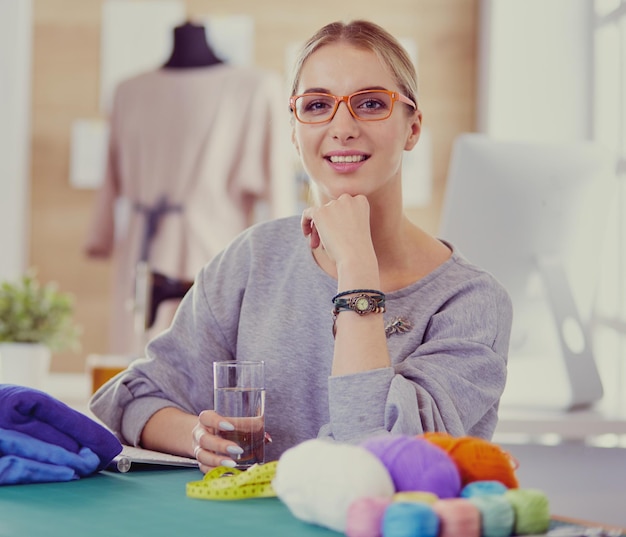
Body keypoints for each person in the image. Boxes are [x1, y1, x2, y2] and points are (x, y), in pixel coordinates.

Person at [90, 19, 513, 473]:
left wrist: (356, 267)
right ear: (294, 132)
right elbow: (131, 397)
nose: (343, 127)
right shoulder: (253, 260)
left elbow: (373, 458)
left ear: (412, 129)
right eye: (317, 105)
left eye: (371, 104)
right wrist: (197, 438)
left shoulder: (470, 303)